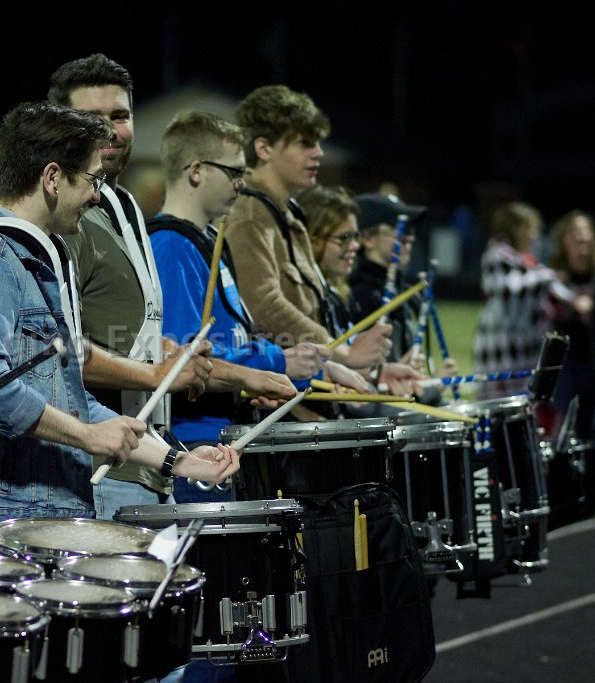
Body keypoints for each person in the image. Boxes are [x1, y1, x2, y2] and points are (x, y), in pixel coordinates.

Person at [0, 100, 240, 561]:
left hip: (32, 518)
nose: (97, 196)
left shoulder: (35, 262)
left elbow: (69, 399)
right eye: (92, 179)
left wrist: (177, 461)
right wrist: (87, 436)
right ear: (52, 178)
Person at [48, 54, 278, 519]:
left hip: (148, 461)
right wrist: (158, 375)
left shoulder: (124, 207)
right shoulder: (65, 218)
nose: (110, 130)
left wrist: (174, 358)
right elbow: (58, 353)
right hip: (95, 473)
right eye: (92, 118)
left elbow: (133, 339)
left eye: (120, 115)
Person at [146, 111, 311, 498]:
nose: (242, 182)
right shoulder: (171, 245)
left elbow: (228, 337)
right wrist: (271, 363)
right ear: (197, 170)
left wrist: (257, 379)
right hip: (195, 445)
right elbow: (181, 359)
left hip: (223, 438)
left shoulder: (204, 241)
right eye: (234, 171)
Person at [224, 84, 389, 411]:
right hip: (280, 405)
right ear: (264, 148)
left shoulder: (286, 213)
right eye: (305, 143)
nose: (319, 153)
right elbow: (262, 306)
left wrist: (369, 369)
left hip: (308, 390)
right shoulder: (250, 215)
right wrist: (342, 353)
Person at [473, 200, 555, 401]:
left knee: (523, 404)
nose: (535, 235)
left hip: (525, 346)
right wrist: (546, 277)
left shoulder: (525, 259)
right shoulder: (497, 255)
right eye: (531, 228)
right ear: (516, 229)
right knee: (497, 404)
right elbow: (509, 288)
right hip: (500, 345)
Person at [349, 191, 429, 368]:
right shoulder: (359, 294)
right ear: (368, 239)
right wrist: (394, 371)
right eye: (399, 229)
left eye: (410, 229)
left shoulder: (397, 289)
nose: (410, 237)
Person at [545, 210, 595, 440]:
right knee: (563, 425)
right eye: (575, 232)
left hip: (593, 359)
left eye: (585, 231)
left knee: (590, 427)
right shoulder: (555, 277)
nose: (581, 237)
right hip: (564, 363)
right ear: (565, 240)